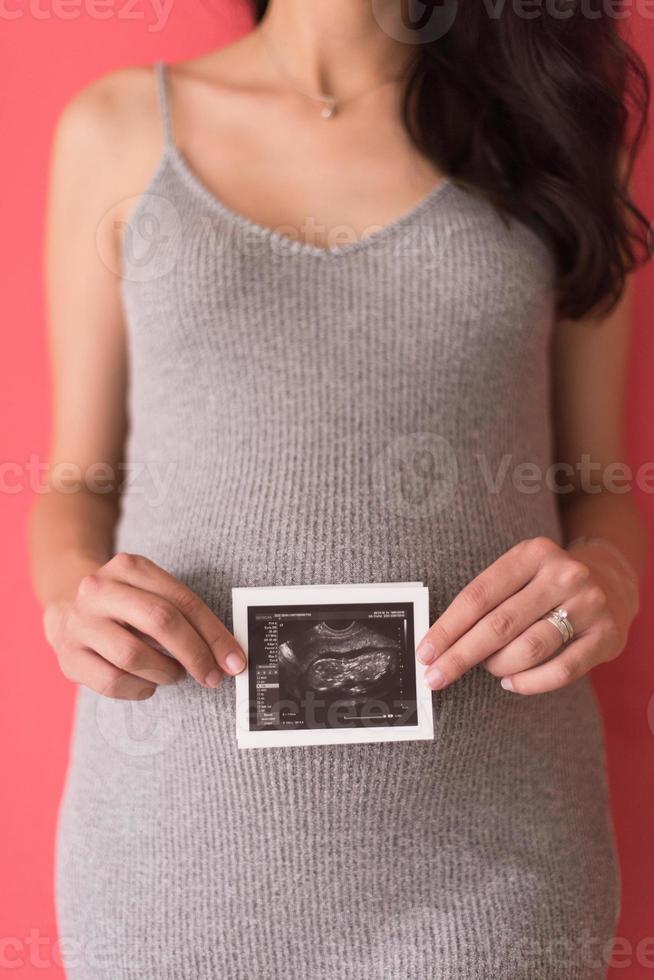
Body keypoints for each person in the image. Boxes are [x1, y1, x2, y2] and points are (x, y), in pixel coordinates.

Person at [30, 1, 650, 977]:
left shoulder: (555, 126)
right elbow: (76, 480)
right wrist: (72, 596)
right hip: (178, 856)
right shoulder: (114, 130)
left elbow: (597, 481)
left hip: (492, 862)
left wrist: (607, 578)